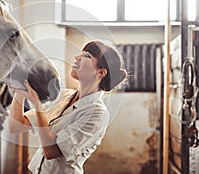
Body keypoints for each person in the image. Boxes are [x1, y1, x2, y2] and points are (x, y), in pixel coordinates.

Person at [8, 40, 127, 174]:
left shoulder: (97, 113)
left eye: (87, 56)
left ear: (101, 73)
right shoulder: (64, 96)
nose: (77, 57)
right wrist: (20, 90)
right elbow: (16, 126)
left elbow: (51, 151)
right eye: (80, 53)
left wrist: (37, 105)